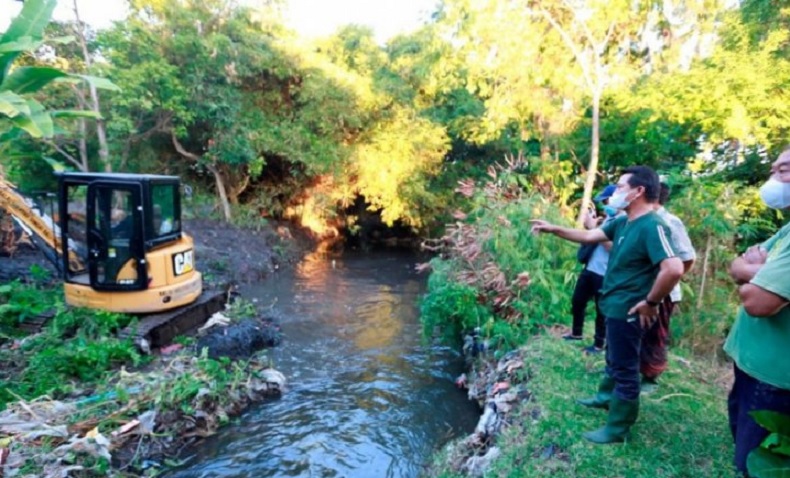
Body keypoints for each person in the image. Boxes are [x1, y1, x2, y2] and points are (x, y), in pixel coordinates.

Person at [531, 165, 684, 444]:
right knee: (614, 357)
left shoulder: (653, 226)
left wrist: (651, 302)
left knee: (626, 368)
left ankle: (617, 428)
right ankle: (605, 398)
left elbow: (673, 268)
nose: (615, 192)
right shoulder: (623, 222)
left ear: (638, 191)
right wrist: (554, 229)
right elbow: (590, 236)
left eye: (621, 186)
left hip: (630, 308)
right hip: (613, 302)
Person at [725, 147, 790, 474]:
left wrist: (754, 273)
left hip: (775, 381)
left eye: (784, 170)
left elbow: (757, 301)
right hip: (753, 367)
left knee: (759, 464)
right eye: (774, 169)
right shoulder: (787, 231)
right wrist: (759, 272)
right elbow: (736, 266)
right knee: (744, 443)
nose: (774, 178)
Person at [640, 182, 696, 393]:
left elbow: (688, 258)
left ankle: (650, 376)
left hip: (663, 292)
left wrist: (669, 280)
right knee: (635, 330)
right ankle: (629, 369)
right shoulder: (639, 220)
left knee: (655, 333)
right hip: (639, 288)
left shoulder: (671, 222)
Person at [564, 184, 617, 354]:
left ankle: (599, 344)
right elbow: (591, 238)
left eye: (607, 200)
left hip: (605, 273)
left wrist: (594, 229)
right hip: (591, 268)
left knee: (602, 311)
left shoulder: (623, 222)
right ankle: (576, 333)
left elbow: (612, 248)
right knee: (578, 301)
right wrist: (591, 227)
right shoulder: (607, 220)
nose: (605, 204)